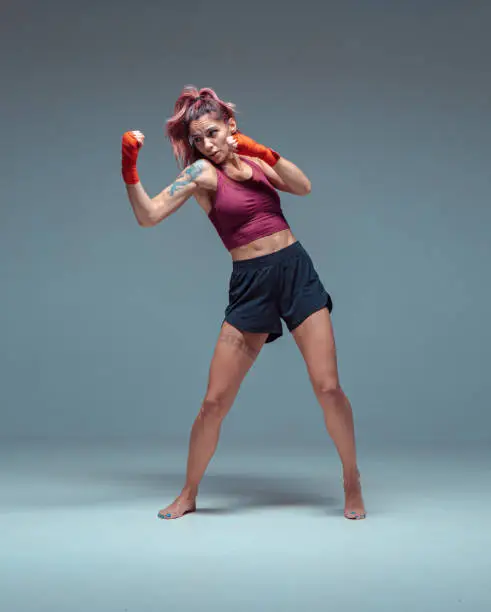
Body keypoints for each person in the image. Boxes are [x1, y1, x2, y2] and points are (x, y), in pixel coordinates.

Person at [121, 85, 366, 521]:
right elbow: (149, 215)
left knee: (328, 387)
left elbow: (303, 186)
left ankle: (351, 477)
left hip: (296, 273)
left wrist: (260, 151)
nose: (206, 145)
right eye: (198, 139)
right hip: (251, 284)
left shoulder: (256, 161)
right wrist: (130, 168)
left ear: (231, 127)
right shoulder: (200, 176)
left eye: (213, 133)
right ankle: (189, 492)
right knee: (214, 403)